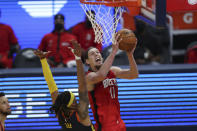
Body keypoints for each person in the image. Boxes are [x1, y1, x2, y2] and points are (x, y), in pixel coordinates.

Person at [83, 32, 139, 131]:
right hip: (105, 127)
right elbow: (101, 75)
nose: (97, 54)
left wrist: (130, 55)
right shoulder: (89, 77)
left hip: (119, 123)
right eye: (92, 54)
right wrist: (113, 52)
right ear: (87, 61)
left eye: (98, 52)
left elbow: (134, 75)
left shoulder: (112, 71)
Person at [34, 40, 95, 131]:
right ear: (71, 105)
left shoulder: (59, 110)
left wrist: (43, 60)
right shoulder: (81, 114)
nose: (77, 102)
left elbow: (51, 85)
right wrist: (78, 58)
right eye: (75, 100)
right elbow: (82, 84)